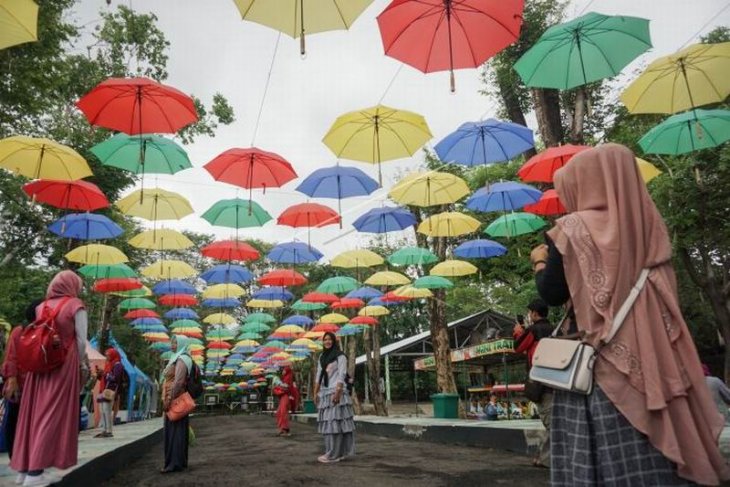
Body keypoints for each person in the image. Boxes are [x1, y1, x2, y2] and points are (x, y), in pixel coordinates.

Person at [532, 143, 730, 485]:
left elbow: (551, 293)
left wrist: (540, 261)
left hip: (603, 370)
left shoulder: (572, 229)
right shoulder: (648, 225)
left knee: (598, 457)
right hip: (659, 364)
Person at [10, 271, 88, 487]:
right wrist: (80, 363)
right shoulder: (75, 305)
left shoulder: (40, 307)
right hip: (62, 364)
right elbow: (81, 341)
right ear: (72, 286)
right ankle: (36, 473)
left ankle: (24, 470)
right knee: (51, 415)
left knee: (32, 414)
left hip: (39, 366)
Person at [513, 298, 553, 468]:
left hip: (539, 381)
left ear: (535, 313)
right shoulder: (556, 328)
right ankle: (542, 457)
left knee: (551, 422)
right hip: (556, 378)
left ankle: (548, 459)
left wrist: (518, 332)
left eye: (530, 312)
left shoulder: (533, 330)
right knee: (551, 420)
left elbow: (518, 347)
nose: (529, 315)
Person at [2, 299, 42, 469]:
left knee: (33, 425)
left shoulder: (45, 332)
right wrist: (12, 380)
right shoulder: (20, 331)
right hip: (20, 386)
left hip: (37, 388)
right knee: (14, 422)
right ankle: (15, 457)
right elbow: (11, 357)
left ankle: (30, 459)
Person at [313, 332, 355, 463]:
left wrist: (337, 393)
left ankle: (334, 454)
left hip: (337, 393)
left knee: (336, 423)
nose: (327, 342)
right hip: (325, 393)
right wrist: (315, 393)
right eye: (325, 340)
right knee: (330, 424)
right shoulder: (322, 357)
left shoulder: (340, 356)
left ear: (334, 341)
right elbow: (318, 375)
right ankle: (336, 452)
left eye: (330, 339)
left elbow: (342, 374)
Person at [161, 335, 193, 474]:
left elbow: (179, 382)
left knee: (175, 431)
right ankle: (178, 461)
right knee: (176, 431)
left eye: (175, 342)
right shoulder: (176, 358)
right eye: (172, 341)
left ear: (181, 344)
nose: (172, 344)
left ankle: (174, 463)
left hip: (175, 400)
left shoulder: (182, 359)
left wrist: (169, 399)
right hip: (172, 398)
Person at [95, 348, 124, 438]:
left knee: (107, 411)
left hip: (110, 390)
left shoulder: (117, 365)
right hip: (103, 389)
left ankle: (108, 430)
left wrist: (105, 374)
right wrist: (100, 374)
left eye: (108, 355)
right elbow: (104, 378)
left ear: (113, 355)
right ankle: (104, 430)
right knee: (102, 411)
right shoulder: (109, 364)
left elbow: (116, 379)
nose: (107, 356)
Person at [275, 366, 300, 437]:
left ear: (287, 371)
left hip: (286, 397)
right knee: (279, 412)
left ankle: (285, 430)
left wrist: (278, 386)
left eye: (284, 370)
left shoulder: (288, 378)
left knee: (283, 413)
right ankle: (283, 429)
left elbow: (286, 388)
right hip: (283, 397)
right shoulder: (285, 378)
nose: (282, 371)